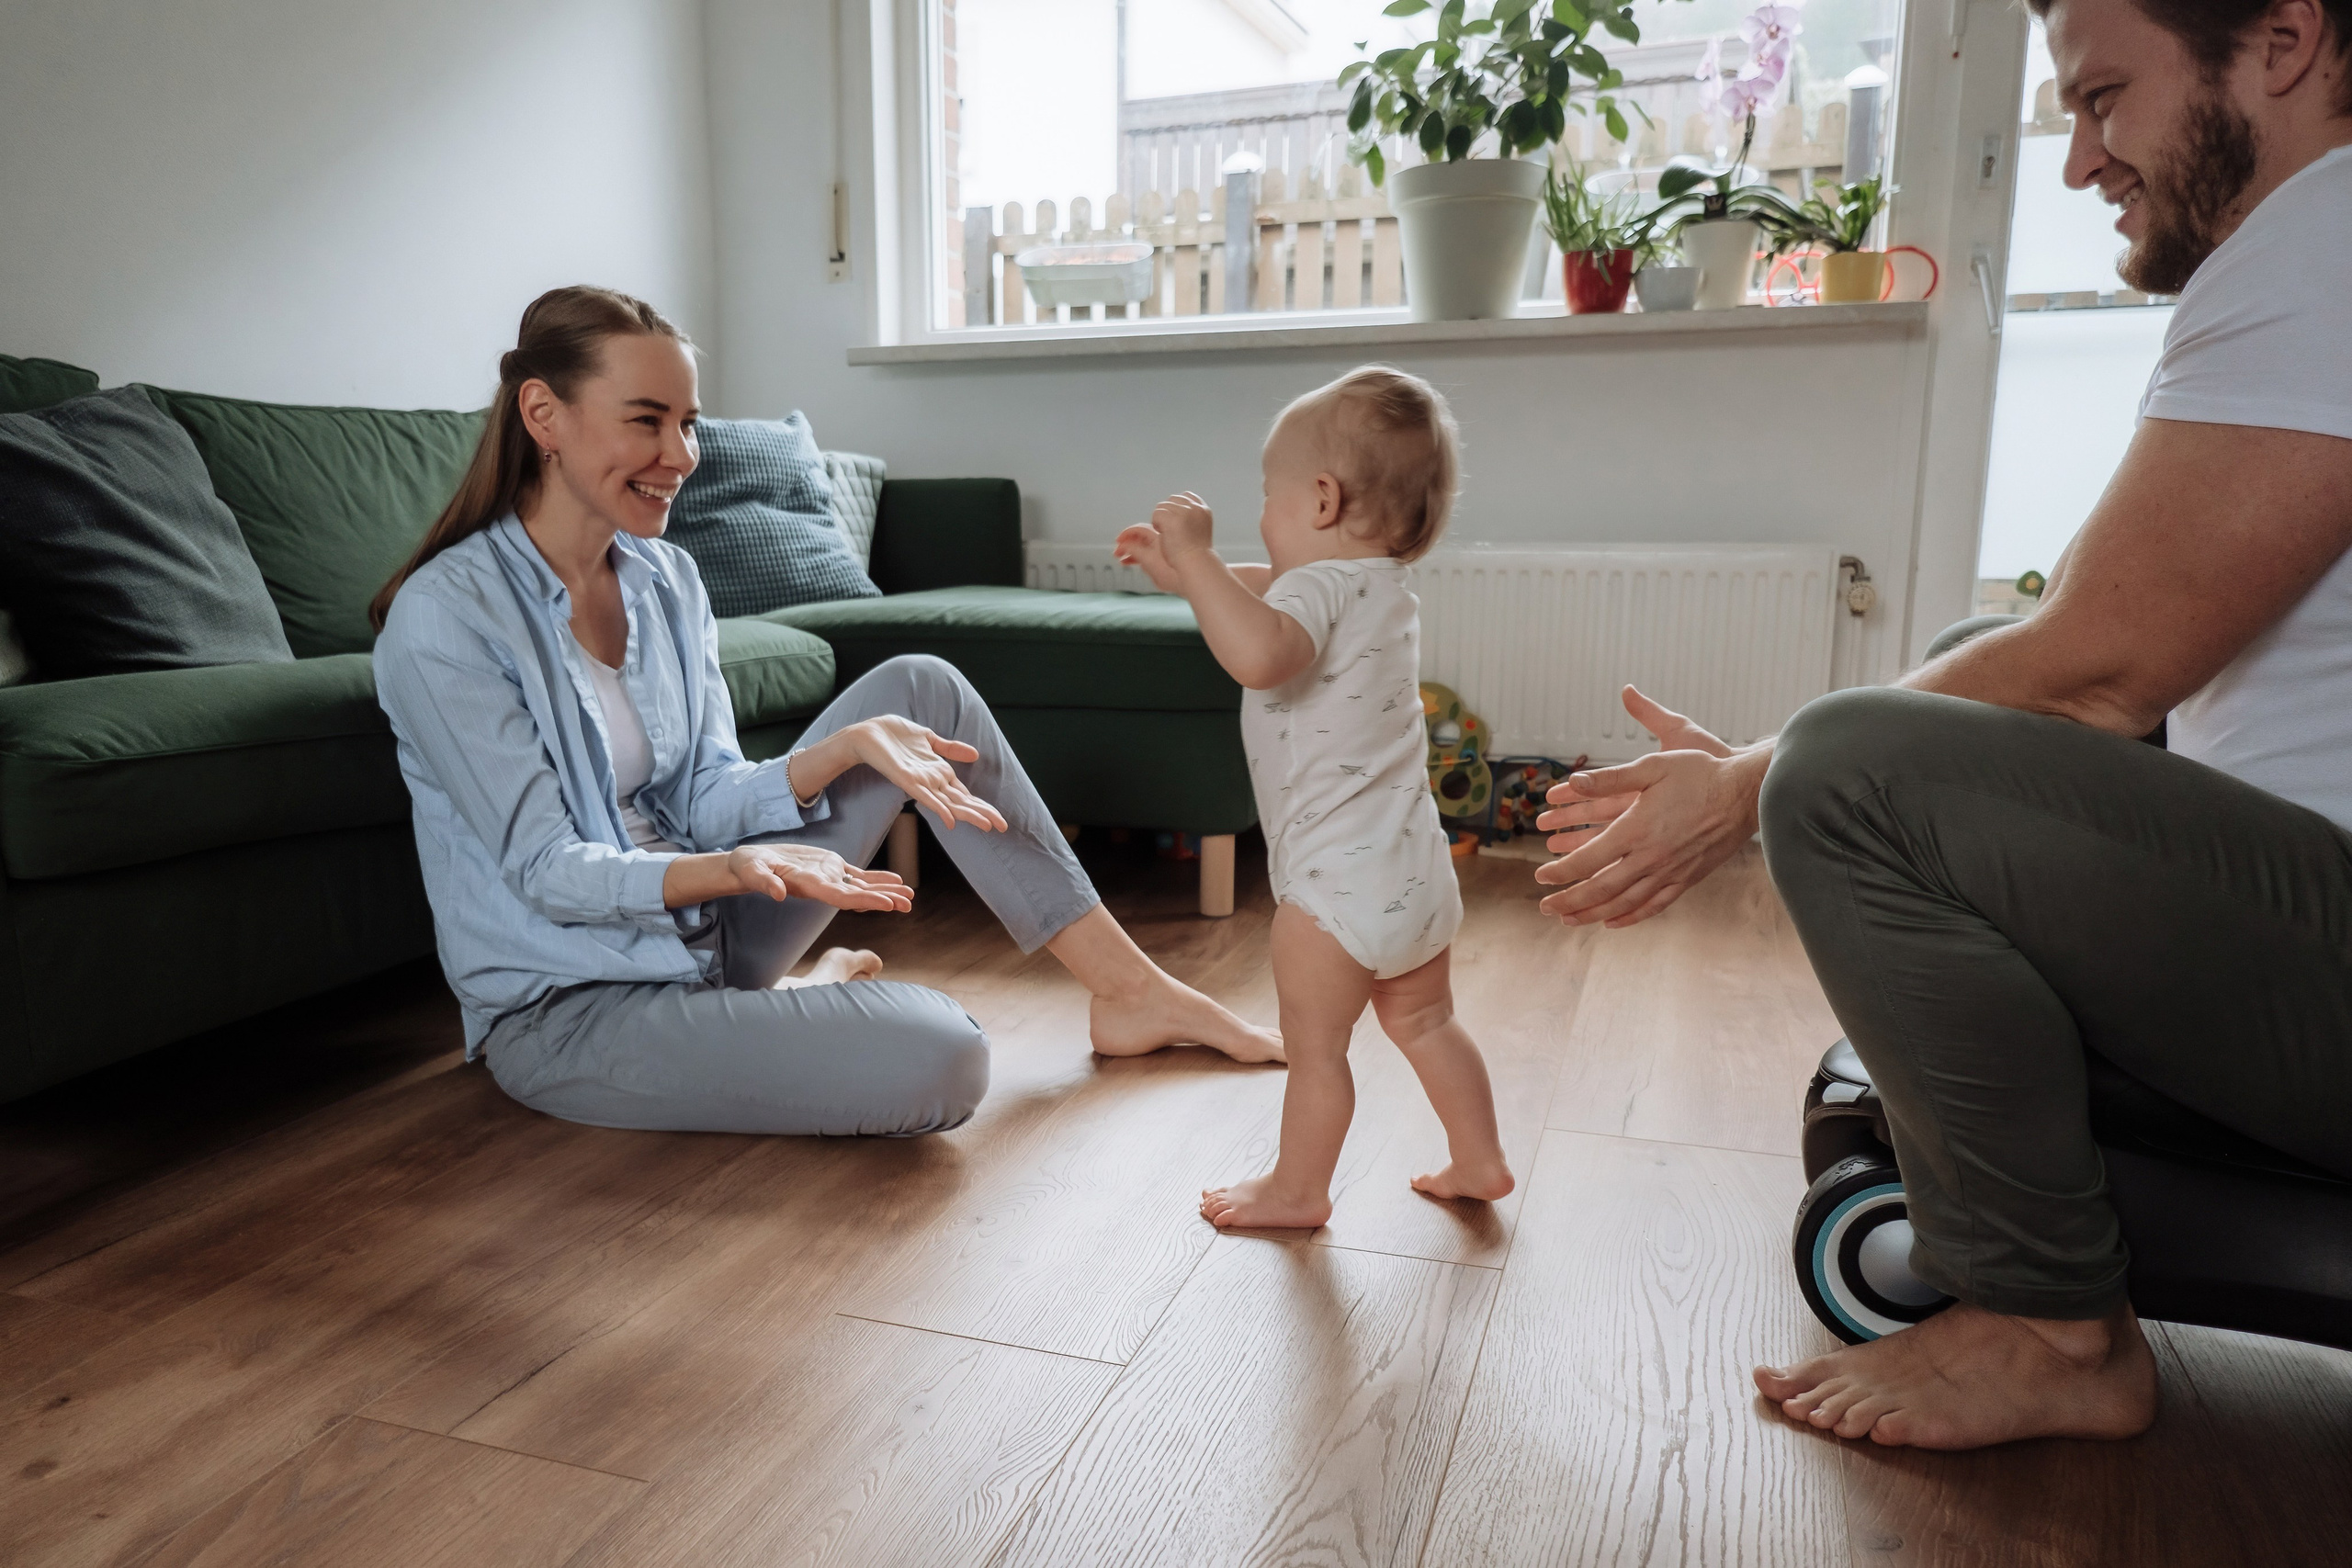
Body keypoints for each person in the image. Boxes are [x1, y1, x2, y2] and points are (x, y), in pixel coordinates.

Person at [1533, 0, 2352, 1450]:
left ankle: (2049, 1329)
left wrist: (1747, 785)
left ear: (2282, 43)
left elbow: (2100, 667)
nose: (2084, 163)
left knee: (1847, 771)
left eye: (2106, 100)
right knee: (1964, 669)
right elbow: (2096, 656)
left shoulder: (2326, 235)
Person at [371, 286, 1282, 1137]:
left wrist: (842, 750)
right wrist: (733, 870)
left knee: (918, 690)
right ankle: (778, 1004)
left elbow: (705, 796)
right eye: (645, 421)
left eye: (686, 424)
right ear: (544, 417)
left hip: (716, 931)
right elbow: (544, 871)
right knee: (945, 1059)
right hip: (577, 1003)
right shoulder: (446, 617)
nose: (682, 456)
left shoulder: (665, 578)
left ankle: (1131, 992)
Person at [1115, 367, 1514, 1230]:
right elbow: (1265, 590)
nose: (1263, 509)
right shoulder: (1381, 587)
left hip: (1334, 888)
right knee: (1428, 1020)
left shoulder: (1309, 596)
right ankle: (1479, 1157)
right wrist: (1194, 578)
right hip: (1413, 868)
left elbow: (1262, 650)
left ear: (1322, 500)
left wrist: (1192, 552)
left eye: (1270, 493)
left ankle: (1299, 1189)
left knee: (1316, 1048)